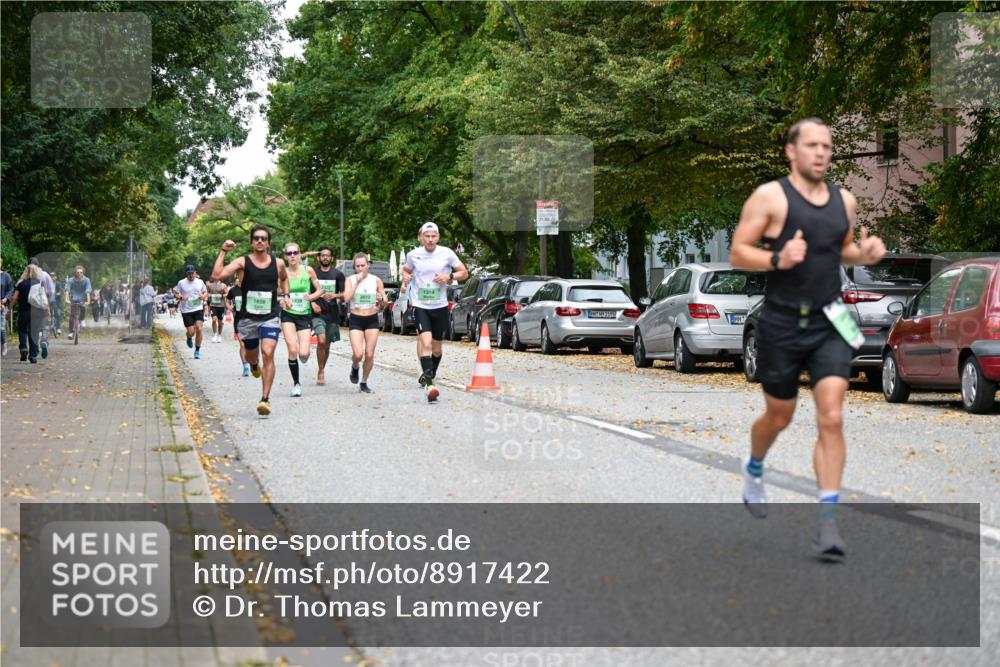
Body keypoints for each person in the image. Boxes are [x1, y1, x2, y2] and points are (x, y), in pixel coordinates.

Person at [730, 117, 887, 562]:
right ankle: (754, 466)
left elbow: (842, 248)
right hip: (780, 322)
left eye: (827, 146)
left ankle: (828, 522)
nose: (821, 152)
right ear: (791, 152)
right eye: (812, 145)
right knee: (779, 416)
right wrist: (778, 256)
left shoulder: (846, 201)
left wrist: (865, 254)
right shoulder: (771, 197)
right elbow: (739, 252)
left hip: (830, 320)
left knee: (832, 416)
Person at [211, 225, 290, 415]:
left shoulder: (278, 263)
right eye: (256, 238)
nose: (260, 241)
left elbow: (284, 279)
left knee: (268, 352)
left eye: (263, 238)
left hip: (270, 316)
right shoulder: (242, 262)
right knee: (251, 355)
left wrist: (286, 295)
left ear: (269, 243)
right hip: (247, 318)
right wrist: (223, 251)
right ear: (251, 242)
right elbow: (216, 276)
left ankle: (265, 399)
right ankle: (254, 365)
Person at [400, 221, 469, 402]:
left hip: (439, 306)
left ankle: (430, 372)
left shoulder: (447, 253)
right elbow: (406, 271)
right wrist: (405, 279)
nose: (430, 240)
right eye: (427, 236)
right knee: (426, 341)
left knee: (437, 349)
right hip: (420, 304)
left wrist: (450, 276)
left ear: (438, 237)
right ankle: (430, 385)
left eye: (433, 236)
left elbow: (464, 272)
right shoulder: (413, 255)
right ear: (420, 238)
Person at [279, 242, 323, 397]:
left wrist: (311, 297)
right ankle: (296, 384)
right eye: (289, 253)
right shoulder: (282, 272)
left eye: (295, 253)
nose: (292, 256)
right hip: (288, 314)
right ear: (285, 256)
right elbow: (276, 290)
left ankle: (303, 356)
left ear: (299, 255)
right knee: (292, 349)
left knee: (303, 353)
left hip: (304, 315)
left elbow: (320, 290)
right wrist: (283, 297)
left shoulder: (308, 270)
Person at [340, 252, 387, 393]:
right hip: (356, 318)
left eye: (363, 265)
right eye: (358, 266)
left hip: (372, 318)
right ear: (354, 267)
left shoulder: (376, 280)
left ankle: (364, 381)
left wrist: (381, 300)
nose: (361, 268)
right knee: (358, 353)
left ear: (368, 265)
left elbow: (385, 302)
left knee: (370, 354)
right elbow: (346, 298)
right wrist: (357, 282)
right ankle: (355, 366)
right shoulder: (350, 279)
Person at [310, 246, 345, 385]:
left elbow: (344, 293)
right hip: (317, 313)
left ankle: (322, 368)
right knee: (322, 340)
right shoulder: (313, 274)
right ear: (318, 258)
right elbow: (306, 291)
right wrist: (312, 303)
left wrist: (335, 295)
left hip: (332, 313)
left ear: (331, 258)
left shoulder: (338, 274)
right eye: (322, 255)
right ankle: (320, 370)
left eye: (328, 255)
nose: (325, 257)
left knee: (327, 345)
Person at [173, 265, 207, 358]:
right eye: (189, 273)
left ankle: (197, 350)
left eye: (192, 273)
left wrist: (203, 297)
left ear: (195, 273)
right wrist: (180, 297)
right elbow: (175, 293)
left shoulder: (200, 282)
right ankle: (189, 337)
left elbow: (205, 292)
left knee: (199, 328)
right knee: (191, 332)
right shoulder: (181, 282)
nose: (191, 275)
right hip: (186, 310)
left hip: (198, 308)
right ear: (186, 274)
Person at [12, 265, 44, 362]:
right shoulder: (39, 283)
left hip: (23, 311)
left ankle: (23, 349)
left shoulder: (21, 284)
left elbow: (14, 297)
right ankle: (33, 356)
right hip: (36, 312)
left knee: (22, 330)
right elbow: (43, 298)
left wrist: (10, 308)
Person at [227, 271, 251, 376]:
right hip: (239, 319)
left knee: (251, 345)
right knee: (242, 344)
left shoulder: (251, 288)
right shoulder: (233, 290)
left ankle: (253, 362)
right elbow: (227, 300)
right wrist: (229, 307)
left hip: (251, 320)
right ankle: (245, 366)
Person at [65, 265, 92, 340]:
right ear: (75, 273)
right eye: (78, 272)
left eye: (81, 272)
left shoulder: (87, 280)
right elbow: (67, 290)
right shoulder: (71, 280)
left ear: (83, 273)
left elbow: (88, 290)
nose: (79, 274)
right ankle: (71, 332)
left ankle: (82, 319)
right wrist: (66, 299)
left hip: (83, 298)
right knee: (72, 317)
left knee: (83, 308)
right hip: (73, 299)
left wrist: (88, 300)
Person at [206, 277, 228, 342]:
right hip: (213, 305)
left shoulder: (223, 285)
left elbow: (227, 293)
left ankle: (219, 335)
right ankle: (215, 335)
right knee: (214, 319)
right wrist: (209, 295)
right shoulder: (209, 285)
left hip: (221, 306)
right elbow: (206, 293)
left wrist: (221, 295)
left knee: (220, 322)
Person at [1, 258, 13, 356]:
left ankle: (4, 345)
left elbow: (10, 290)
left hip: (2, 305)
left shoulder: (6, 276)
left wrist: (6, 298)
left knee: (1, 328)